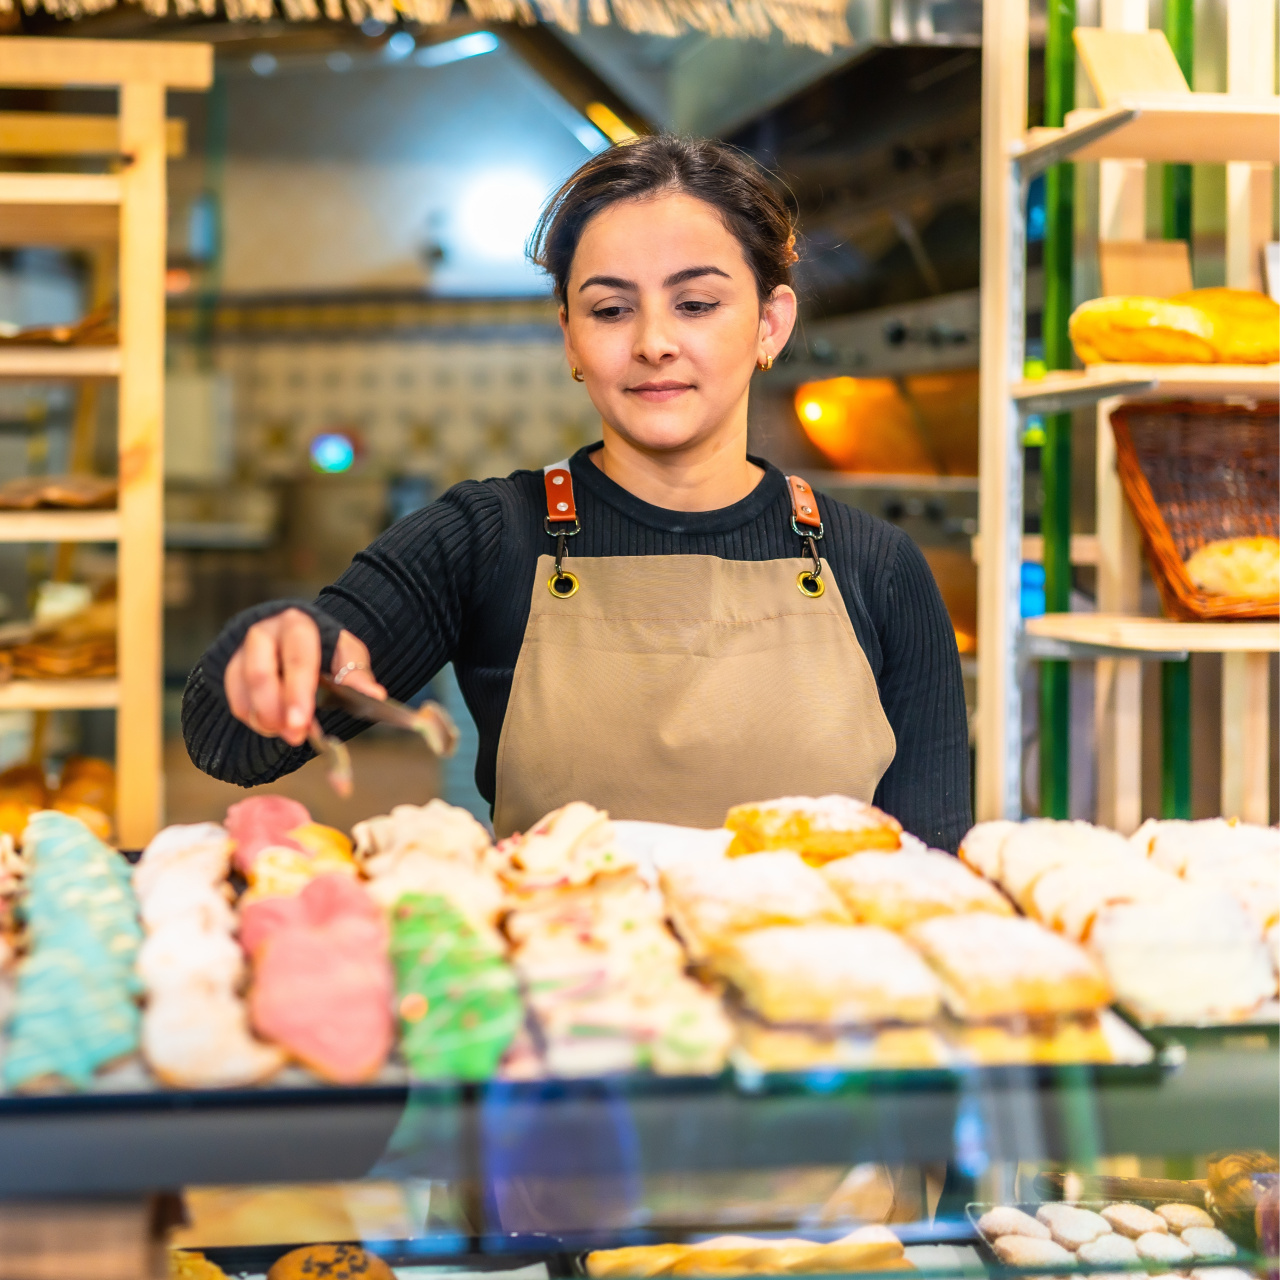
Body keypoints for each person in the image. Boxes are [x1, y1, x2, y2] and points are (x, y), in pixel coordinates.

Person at [183, 135, 972, 850]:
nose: (654, 342)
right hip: (570, 995)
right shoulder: (487, 538)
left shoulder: (880, 568)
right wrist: (275, 648)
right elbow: (231, 744)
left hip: (813, 999)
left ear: (771, 324)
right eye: (609, 309)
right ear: (569, 336)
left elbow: (932, 868)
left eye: (696, 304)